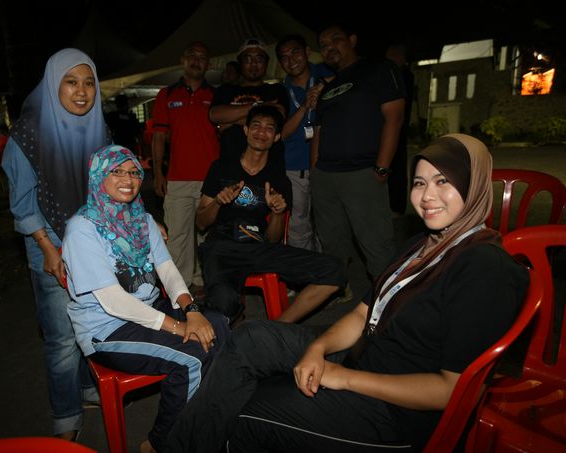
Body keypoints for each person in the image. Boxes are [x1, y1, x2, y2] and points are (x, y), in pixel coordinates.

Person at [166, 133, 530, 452]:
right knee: (251, 337)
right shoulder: (424, 243)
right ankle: (178, 445)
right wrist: (319, 348)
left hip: (395, 415)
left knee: (248, 410)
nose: (427, 196)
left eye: (443, 181)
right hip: (365, 356)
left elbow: (451, 390)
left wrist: (342, 377)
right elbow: (362, 312)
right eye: (419, 183)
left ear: (474, 185)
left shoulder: (485, 269)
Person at [61, 145, 229, 453]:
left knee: (218, 323)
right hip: (107, 329)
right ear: (98, 176)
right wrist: (179, 327)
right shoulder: (82, 229)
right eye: (117, 171)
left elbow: (166, 268)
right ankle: (162, 443)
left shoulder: (142, 219)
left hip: (148, 310)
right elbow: (113, 301)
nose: (128, 180)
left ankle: (205, 416)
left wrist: (191, 310)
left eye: (134, 172)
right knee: (192, 357)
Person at [1, 48, 107, 441]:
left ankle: (86, 388)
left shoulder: (97, 128)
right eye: (71, 81)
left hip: (91, 244)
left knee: (90, 326)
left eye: (89, 83)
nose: (81, 91)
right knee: (62, 338)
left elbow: (109, 186)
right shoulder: (28, 133)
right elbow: (23, 201)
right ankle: (65, 416)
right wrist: (48, 249)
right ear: (52, 84)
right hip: (52, 243)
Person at [195, 105, 345, 324]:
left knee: (334, 271)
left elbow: (273, 238)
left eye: (269, 128)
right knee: (224, 304)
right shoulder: (221, 167)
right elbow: (200, 223)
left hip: (259, 247)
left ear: (276, 137)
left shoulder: (279, 180)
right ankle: (229, 309)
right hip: (222, 247)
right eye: (256, 125)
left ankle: (278, 326)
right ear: (246, 130)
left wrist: (277, 212)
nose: (261, 132)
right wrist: (218, 202)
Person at [311, 23, 406, 288]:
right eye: (324, 46)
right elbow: (319, 130)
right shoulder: (328, 86)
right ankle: (336, 290)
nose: (330, 48)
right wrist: (315, 171)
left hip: (362, 172)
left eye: (336, 40)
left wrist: (382, 167)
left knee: (376, 244)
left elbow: (394, 118)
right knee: (332, 244)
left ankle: (387, 299)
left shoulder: (379, 69)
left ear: (352, 40)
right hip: (325, 176)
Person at [151, 41, 220, 301]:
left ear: (208, 64)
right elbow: (158, 137)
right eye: (192, 55)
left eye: (202, 57)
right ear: (183, 60)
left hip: (210, 180)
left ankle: (204, 282)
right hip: (177, 178)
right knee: (178, 236)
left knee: (207, 236)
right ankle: (180, 290)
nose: (196, 60)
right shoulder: (166, 94)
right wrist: (158, 173)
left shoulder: (216, 95)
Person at [275, 34, 333, 252]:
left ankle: (326, 270)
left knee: (328, 224)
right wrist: (305, 106)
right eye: (284, 57)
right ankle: (302, 270)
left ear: (307, 52)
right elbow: (282, 133)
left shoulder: (325, 71)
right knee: (298, 225)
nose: (291, 60)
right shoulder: (281, 91)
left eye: (295, 52)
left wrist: (322, 84)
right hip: (293, 169)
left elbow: (349, 75)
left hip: (327, 165)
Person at [209, 38, 289, 164]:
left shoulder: (276, 89)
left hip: (268, 166)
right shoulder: (225, 90)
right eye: (248, 59)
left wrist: (231, 120)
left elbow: (278, 118)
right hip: (230, 164)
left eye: (259, 59)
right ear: (240, 63)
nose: (254, 64)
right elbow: (215, 115)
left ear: (266, 63)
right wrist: (261, 107)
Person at [386, 43, 416, 216]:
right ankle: (395, 205)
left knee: (396, 167)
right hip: (397, 127)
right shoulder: (401, 75)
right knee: (394, 166)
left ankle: (397, 206)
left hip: (397, 128)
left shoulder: (402, 76)